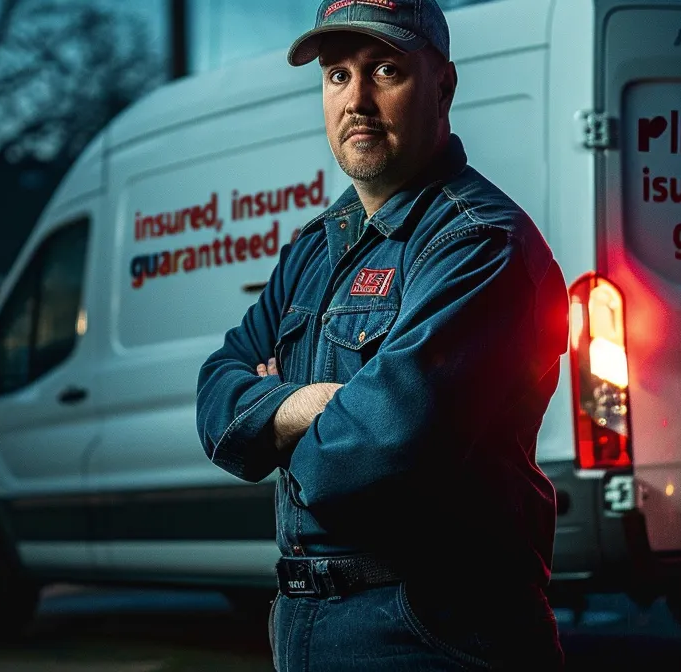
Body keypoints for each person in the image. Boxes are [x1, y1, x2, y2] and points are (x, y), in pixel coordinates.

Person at [194, 0, 570, 669]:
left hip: (434, 629)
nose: (356, 100)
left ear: (444, 86)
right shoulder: (316, 248)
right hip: (307, 624)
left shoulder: (479, 244)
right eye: (338, 75)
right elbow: (216, 390)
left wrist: (271, 418)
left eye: (385, 70)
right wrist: (308, 405)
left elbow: (379, 450)